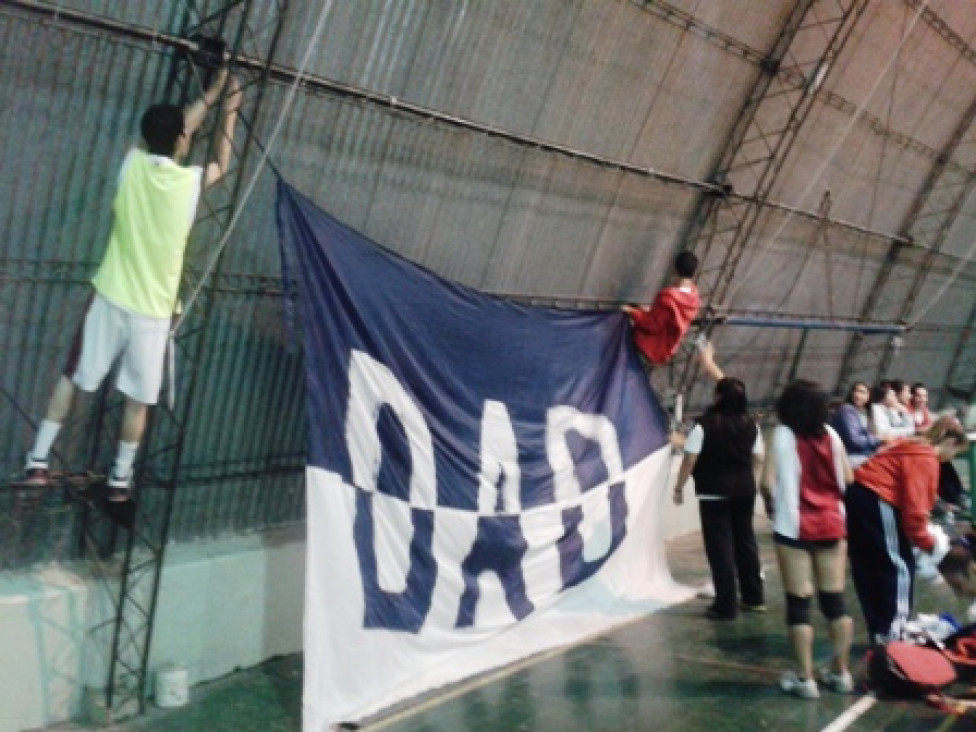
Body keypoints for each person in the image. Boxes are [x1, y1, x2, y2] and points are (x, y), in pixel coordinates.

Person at [24, 68, 242, 499]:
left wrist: (211, 95)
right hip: (153, 311)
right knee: (137, 401)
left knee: (72, 377)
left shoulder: (132, 163)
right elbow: (224, 161)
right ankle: (120, 479)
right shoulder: (190, 181)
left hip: (110, 296)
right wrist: (228, 106)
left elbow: (171, 134)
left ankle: (37, 460)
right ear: (182, 140)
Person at [764, 380, 853, 700]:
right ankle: (841, 673)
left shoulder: (782, 436)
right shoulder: (833, 435)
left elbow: (767, 482)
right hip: (831, 524)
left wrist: (771, 505)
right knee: (835, 601)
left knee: (799, 603)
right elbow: (850, 478)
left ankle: (806, 679)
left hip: (794, 527)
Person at [845, 416, 971, 644]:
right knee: (898, 567)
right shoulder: (925, 458)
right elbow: (915, 512)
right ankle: (894, 637)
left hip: (859, 497)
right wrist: (930, 544)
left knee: (868, 567)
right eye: (955, 453)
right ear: (951, 443)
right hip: (878, 500)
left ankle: (880, 632)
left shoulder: (910, 445)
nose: (950, 459)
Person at [674, 341, 764, 620]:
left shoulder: (704, 426)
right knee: (745, 542)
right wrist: (753, 483)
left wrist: (679, 487)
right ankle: (753, 597)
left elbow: (690, 459)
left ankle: (726, 606)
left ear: (717, 398)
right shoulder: (752, 425)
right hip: (744, 491)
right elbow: (758, 458)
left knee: (720, 547)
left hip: (714, 493)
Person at [622, 251, 700, 367]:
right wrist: (650, 311)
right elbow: (671, 320)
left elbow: (651, 325)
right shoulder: (693, 298)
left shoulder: (668, 298)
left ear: (675, 269)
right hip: (664, 351)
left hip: (648, 347)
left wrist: (632, 312)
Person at [829, 382, 882, 467]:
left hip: (863, 453)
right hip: (850, 455)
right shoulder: (847, 410)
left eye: (862, 392)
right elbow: (855, 441)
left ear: (869, 396)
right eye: (856, 391)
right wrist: (878, 438)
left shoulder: (864, 413)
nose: (857, 395)